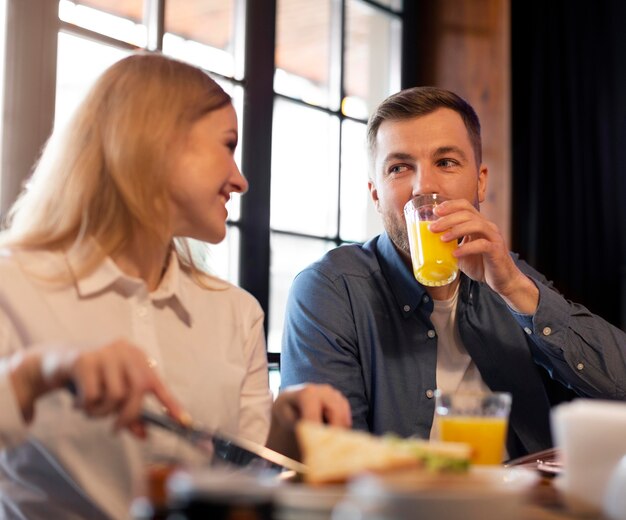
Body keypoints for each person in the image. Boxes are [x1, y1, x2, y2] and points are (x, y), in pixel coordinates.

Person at [0, 52, 350, 520]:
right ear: (155, 142)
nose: (240, 181)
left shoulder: (236, 313)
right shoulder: (11, 284)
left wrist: (286, 429)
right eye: (228, 145)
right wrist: (34, 374)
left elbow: (241, 481)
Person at [280, 86, 626, 460]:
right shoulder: (331, 289)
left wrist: (514, 288)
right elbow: (329, 458)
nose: (423, 187)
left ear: (480, 182)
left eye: (445, 162)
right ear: (376, 194)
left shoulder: (508, 276)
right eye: (399, 168)